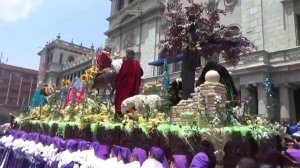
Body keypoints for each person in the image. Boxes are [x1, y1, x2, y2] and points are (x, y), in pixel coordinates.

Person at [114, 49, 143, 117]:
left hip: (123, 88)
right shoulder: (137, 63)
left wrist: (116, 80)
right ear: (133, 56)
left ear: (128, 55)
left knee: (121, 100)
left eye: (127, 54)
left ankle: (120, 114)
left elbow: (120, 75)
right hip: (133, 88)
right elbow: (141, 73)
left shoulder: (125, 63)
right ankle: (131, 115)